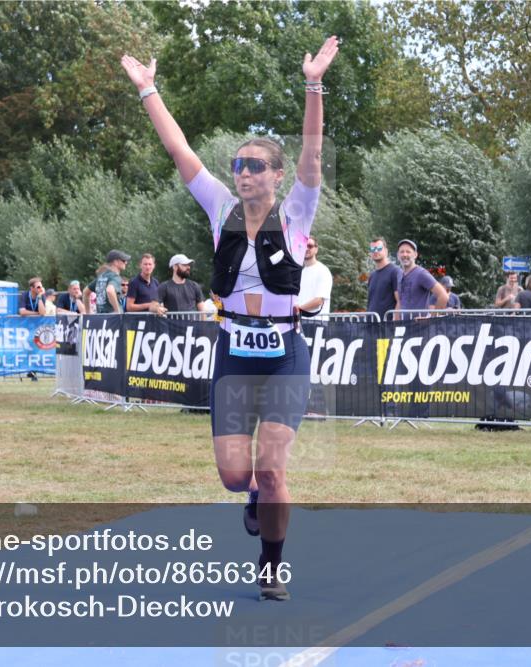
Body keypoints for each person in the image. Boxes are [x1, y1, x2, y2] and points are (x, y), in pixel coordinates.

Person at [122, 34, 339, 601]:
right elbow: (179, 151)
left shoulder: (296, 212)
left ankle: (271, 566)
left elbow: (313, 156)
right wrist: (149, 90)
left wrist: (313, 83)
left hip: (285, 354)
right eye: (238, 165)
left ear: (275, 174)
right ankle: (252, 499)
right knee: (236, 477)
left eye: (255, 166)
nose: (243, 173)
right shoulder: (219, 207)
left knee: (272, 468)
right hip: (233, 354)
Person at [395, 239, 448, 315]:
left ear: (415, 255)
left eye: (408, 252)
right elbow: (400, 301)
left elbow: (443, 296)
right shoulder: (399, 275)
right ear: (398, 255)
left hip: (420, 326)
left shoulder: (421, 274)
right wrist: (395, 322)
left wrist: (431, 318)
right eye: (402, 252)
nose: (405, 254)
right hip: (403, 325)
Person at [296, 235, 332, 317]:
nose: (306, 248)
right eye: (303, 246)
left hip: (317, 322)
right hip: (301, 321)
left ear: (316, 249)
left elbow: (318, 301)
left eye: (310, 246)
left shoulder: (323, 270)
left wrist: (297, 311)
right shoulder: (301, 272)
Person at [366, 237, 399, 317]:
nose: (376, 251)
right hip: (371, 325)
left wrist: (395, 323)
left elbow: (400, 301)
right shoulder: (372, 276)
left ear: (386, 251)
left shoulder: (395, 271)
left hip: (387, 325)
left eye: (379, 248)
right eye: (373, 249)